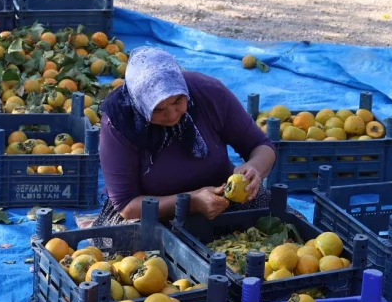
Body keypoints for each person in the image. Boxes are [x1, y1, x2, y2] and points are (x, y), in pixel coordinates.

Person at [96, 47, 275, 224]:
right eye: (158, 109)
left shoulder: (209, 93)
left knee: (278, 224)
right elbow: (127, 205)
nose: (172, 115)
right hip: (152, 212)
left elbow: (262, 146)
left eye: (178, 101)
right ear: (141, 105)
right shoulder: (119, 122)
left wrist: (254, 168)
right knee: (147, 248)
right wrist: (191, 202)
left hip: (221, 198)